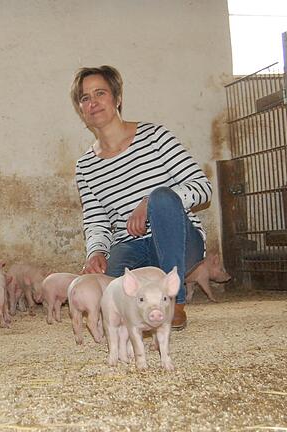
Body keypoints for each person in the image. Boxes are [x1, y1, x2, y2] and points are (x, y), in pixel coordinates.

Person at [71, 65, 211, 330]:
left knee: (160, 197)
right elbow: (96, 219)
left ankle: (174, 302)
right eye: (85, 98)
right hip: (131, 247)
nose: (93, 102)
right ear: (80, 109)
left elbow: (203, 187)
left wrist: (150, 204)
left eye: (100, 93)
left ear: (118, 98)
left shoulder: (155, 137)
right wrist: (97, 251)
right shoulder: (85, 166)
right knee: (110, 286)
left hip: (178, 242)